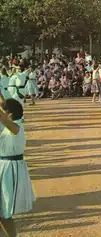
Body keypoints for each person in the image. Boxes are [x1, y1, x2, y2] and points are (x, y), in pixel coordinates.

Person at [0, 99, 36, 236]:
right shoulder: (9, 127)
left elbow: (4, 120)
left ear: (9, 114)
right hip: (3, 166)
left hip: (10, 169)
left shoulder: (16, 128)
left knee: (4, 212)